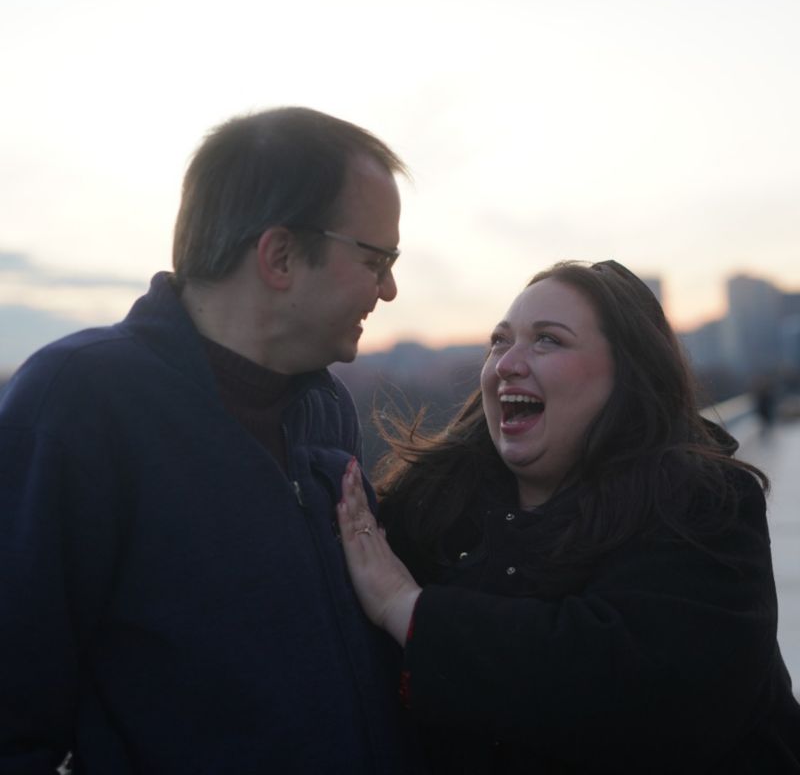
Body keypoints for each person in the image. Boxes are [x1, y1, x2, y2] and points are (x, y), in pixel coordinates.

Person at [0, 107, 426, 774]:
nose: (390, 289)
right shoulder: (78, 402)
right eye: (376, 259)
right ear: (280, 256)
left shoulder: (325, 408)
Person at [336, 260, 800, 773]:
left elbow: (641, 689)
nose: (507, 363)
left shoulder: (707, 505)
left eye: (547, 340)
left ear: (628, 374)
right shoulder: (432, 510)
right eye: (499, 341)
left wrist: (407, 608)